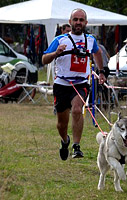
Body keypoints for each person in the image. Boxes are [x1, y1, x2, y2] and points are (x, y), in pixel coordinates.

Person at [42, 8, 106, 161]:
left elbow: (97, 53)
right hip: (62, 84)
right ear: (70, 22)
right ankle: (65, 141)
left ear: (86, 22)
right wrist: (56, 53)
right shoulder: (60, 40)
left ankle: (76, 146)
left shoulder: (90, 40)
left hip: (81, 83)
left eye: (81, 20)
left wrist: (102, 71)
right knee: (61, 124)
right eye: (75, 19)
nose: (78, 22)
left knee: (78, 110)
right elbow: (44, 59)